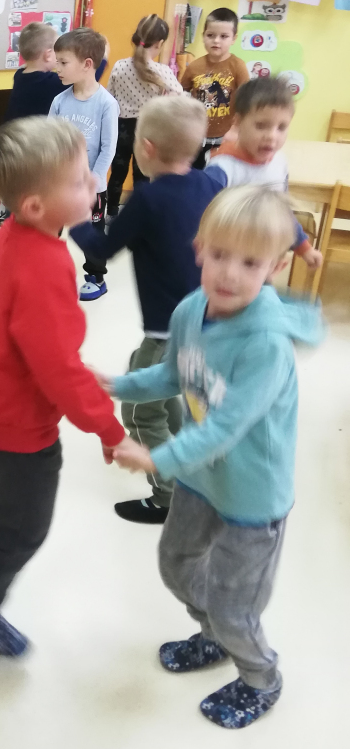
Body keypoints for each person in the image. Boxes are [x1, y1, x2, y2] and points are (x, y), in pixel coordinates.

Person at [111, 186, 324, 729]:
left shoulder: (265, 344)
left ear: (275, 267)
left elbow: (226, 428)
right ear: (199, 249)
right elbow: (171, 375)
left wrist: (156, 459)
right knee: (175, 563)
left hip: (253, 499)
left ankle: (260, 675)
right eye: (221, 255)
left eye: (250, 263)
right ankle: (215, 634)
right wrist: (113, 385)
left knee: (236, 606)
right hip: (200, 480)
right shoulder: (191, 309)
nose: (229, 273)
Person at [0, 118, 125, 656]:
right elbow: (58, 370)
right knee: (20, 529)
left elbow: (28, 339)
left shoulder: (12, 236)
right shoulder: (46, 262)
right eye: (78, 180)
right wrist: (110, 429)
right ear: (34, 205)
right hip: (19, 432)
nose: (94, 183)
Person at [70, 95, 225, 524]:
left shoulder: (148, 199)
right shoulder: (211, 184)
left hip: (168, 331)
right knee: (173, 393)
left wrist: (77, 218)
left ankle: (168, 496)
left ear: (147, 148)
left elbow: (102, 250)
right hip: (209, 322)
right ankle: (189, 460)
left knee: (140, 411)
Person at [206, 76, 323, 273]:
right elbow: (202, 218)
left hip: (263, 262)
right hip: (227, 264)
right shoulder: (222, 169)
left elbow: (281, 212)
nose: (271, 136)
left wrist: (304, 248)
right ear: (238, 123)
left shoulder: (279, 163)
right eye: (261, 126)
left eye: (281, 127)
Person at [50, 28, 120, 301]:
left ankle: (96, 277)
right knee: (50, 229)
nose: (57, 68)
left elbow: (108, 148)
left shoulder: (106, 104)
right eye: (57, 61)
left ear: (87, 64)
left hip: (92, 186)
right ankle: (45, 270)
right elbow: (48, 140)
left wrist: (94, 181)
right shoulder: (59, 101)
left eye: (63, 62)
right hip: (59, 183)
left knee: (92, 233)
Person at [105, 14, 182, 219]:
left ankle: (111, 212)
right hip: (147, 129)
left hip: (121, 128)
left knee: (117, 173)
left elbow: (110, 97)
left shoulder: (120, 66)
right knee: (142, 175)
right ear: (160, 43)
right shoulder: (161, 71)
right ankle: (137, 216)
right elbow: (178, 95)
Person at [179, 8, 249, 169]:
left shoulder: (238, 66)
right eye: (210, 35)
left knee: (219, 176)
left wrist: (236, 129)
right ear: (203, 35)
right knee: (195, 175)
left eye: (224, 36)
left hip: (226, 138)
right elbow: (182, 95)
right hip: (197, 136)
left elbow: (247, 102)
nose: (216, 41)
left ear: (234, 38)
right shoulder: (194, 67)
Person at [3, 22, 63, 121]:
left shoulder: (19, 74)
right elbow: (83, 80)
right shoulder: (52, 81)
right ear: (48, 55)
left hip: (12, 129)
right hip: (32, 131)